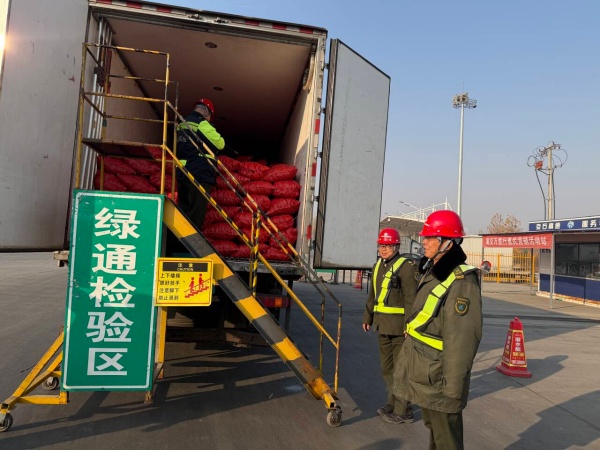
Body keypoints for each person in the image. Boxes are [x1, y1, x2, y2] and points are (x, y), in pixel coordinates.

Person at [393, 210, 482, 450]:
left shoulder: (462, 281)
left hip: (441, 378)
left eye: (431, 237)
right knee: (435, 430)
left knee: (446, 440)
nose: (424, 242)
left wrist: (452, 388)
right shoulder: (436, 271)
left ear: (448, 243)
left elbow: (462, 339)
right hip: (428, 373)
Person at [362, 228, 418, 424]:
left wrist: (409, 325)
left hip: (400, 328)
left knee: (400, 369)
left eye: (388, 246)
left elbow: (411, 299)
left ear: (396, 246)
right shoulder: (378, 266)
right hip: (382, 326)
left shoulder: (407, 267)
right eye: (381, 245)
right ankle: (392, 403)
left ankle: (404, 410)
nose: (383, 249)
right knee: (387, 369)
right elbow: (373, 295)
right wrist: (368, 317)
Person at [176, 98, 225, 229]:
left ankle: (178, 237)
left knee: (184, 208)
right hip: (199, 172)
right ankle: (191, 238)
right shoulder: (202, 124)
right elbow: (220, 144)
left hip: (182, 171)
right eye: (209, 117)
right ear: (206, 112)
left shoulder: (182, 124)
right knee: (197, 211)